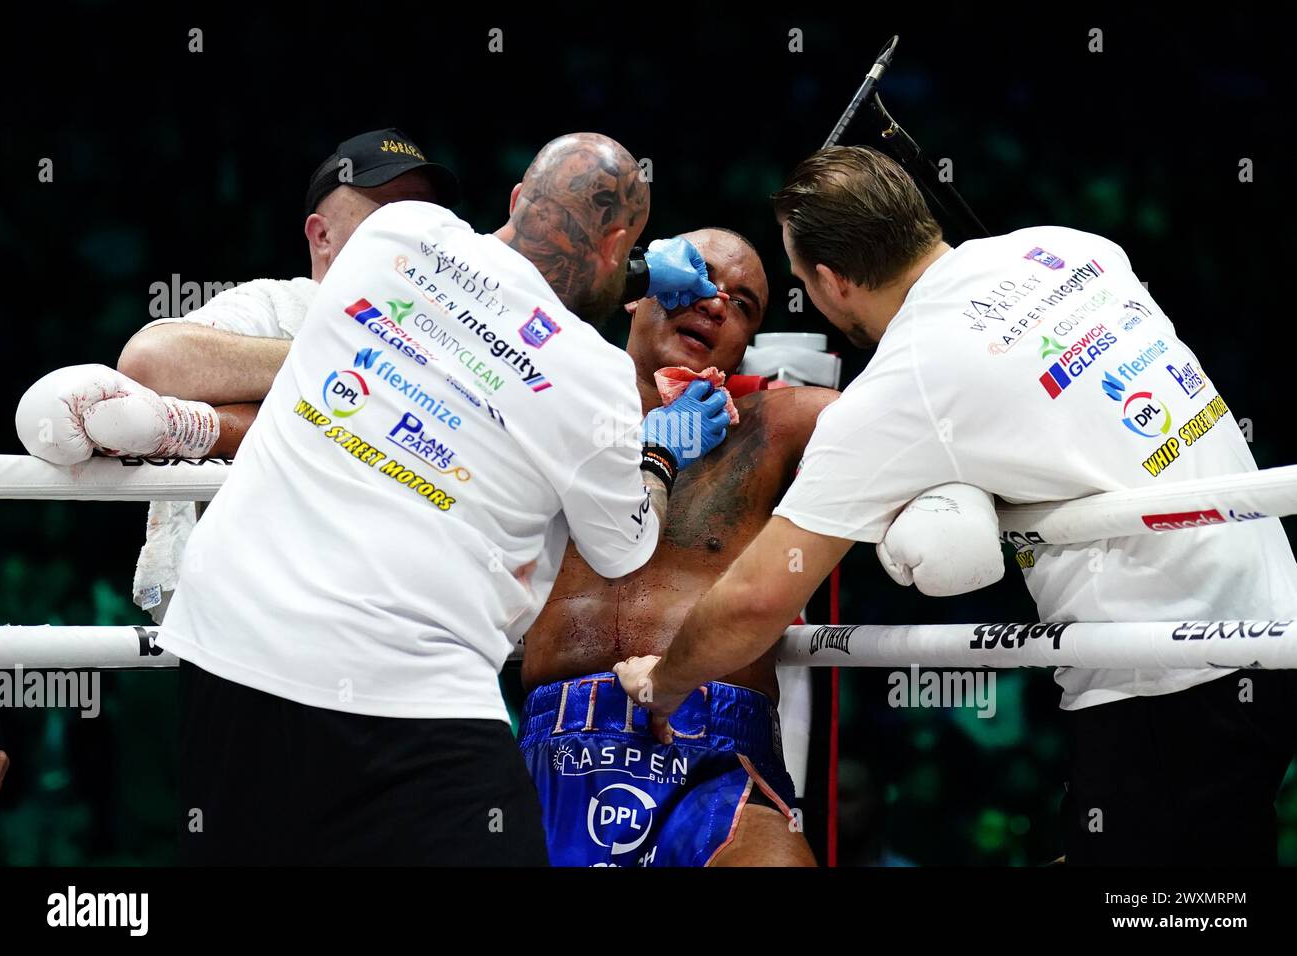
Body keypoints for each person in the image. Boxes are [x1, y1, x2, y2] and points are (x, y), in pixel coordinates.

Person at [615, 145, 1297, 866]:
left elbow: (757, 598)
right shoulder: (1069, 248)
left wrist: (664, 684)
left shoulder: (903, 387)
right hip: (1273, 618)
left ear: (831, 282)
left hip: (1165, 671)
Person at [150, 132, 731, 865]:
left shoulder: (393, 233)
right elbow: (624, 545)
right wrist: (658, 452)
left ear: (518, 198)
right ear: (618, 243)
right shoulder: (593, 375)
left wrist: (626, 269)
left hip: (230, 642)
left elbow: (485, 283)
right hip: (410, 690)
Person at [16, 128, 462, 620]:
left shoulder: (462, 335)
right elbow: (151, 363)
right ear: (322, 235)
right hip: (254, 613)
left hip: (409, 614)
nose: (410, 228)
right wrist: (360, 367)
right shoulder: (279, 304)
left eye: (424, 212)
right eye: (387, 211)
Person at [521, 227, 836, 867]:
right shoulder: (544, 401)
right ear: (638, 291)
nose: (717, 304)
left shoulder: (777, 425)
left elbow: (910, 419)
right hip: (548, 748)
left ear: (745, 345)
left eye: (742, 305)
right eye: (693, 281)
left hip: (717, 751)